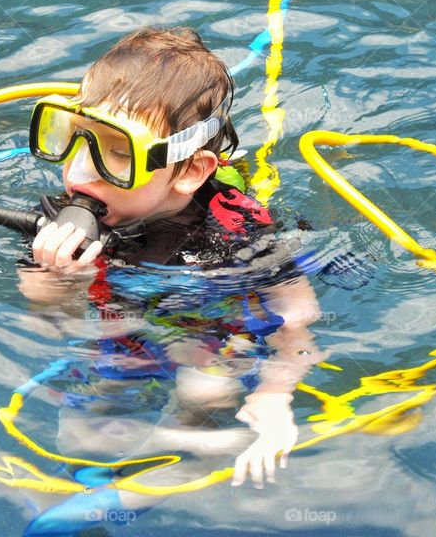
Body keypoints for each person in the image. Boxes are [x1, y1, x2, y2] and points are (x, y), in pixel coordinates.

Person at [17, 26, 326, 509]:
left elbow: (298, 315)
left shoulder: (235, 229)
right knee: (80, 431)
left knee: (206, 389)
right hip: (125, 326)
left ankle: (187, 446)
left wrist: (275, 396)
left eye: (118, 153)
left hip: (211, 325)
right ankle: (91, 477)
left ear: (189, 172)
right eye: (75, 139)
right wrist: (60, 281)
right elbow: (45, 316)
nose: (80, 171)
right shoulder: (61, 215)